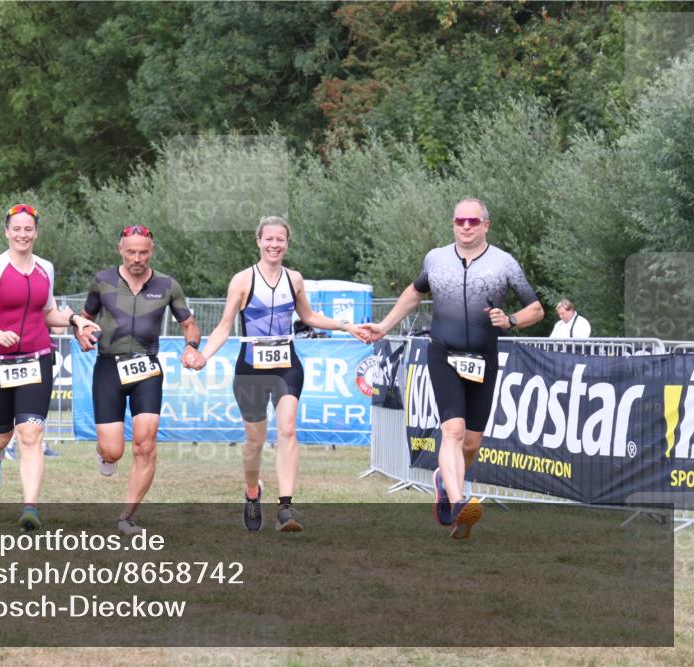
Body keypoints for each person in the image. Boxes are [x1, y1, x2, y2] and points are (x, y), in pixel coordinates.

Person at [360, 199, 543, 539]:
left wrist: (512, 319)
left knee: (472, 442)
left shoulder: (504, 263)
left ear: (486, 225)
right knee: (453, 431)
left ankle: (445, 482)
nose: (466, 226)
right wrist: (384, 326)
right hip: (443, 354)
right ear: (453, 224)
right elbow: (414, 294)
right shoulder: (436, 259)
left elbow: (536, 308)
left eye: (473, 220)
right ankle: (460, 504)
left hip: (484, 359)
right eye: (460, 220)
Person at [197, 216, 366, 533]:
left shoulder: (295, 279)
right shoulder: (242, 280)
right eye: (269, 239)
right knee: (254, 442)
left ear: (287, 243)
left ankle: (286, 507)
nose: (275, 245)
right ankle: (252, 492)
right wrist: (203, 356)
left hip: (287, 364)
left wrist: (347, 326)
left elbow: (309, 316)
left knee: (287, 429)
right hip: (250, 369)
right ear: (258, 241)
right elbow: (223, 326)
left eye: (281, 240)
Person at [0, 204, 98, 531]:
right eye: (17, 229)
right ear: (7, 232)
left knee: (31, 433)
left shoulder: (45, 269)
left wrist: (77, 320)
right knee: (0, 435)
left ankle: (30, 507)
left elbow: (49, 313)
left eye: (28, 229)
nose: (23, 235)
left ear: (36, 232)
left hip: (37, 358)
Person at [75, 224, 204, 535]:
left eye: (143, 252)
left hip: (147, 368)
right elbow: (84, 318)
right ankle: (105, 454)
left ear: (152, 252)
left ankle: (127, 517)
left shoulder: (168, 285)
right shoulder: (102, 281)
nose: (137, 258)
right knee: (113, 451)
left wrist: (191, 347)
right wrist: (80, 331)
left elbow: (189, 324)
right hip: (108, 367)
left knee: (146, 444)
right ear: (121, 250)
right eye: (131, 252)